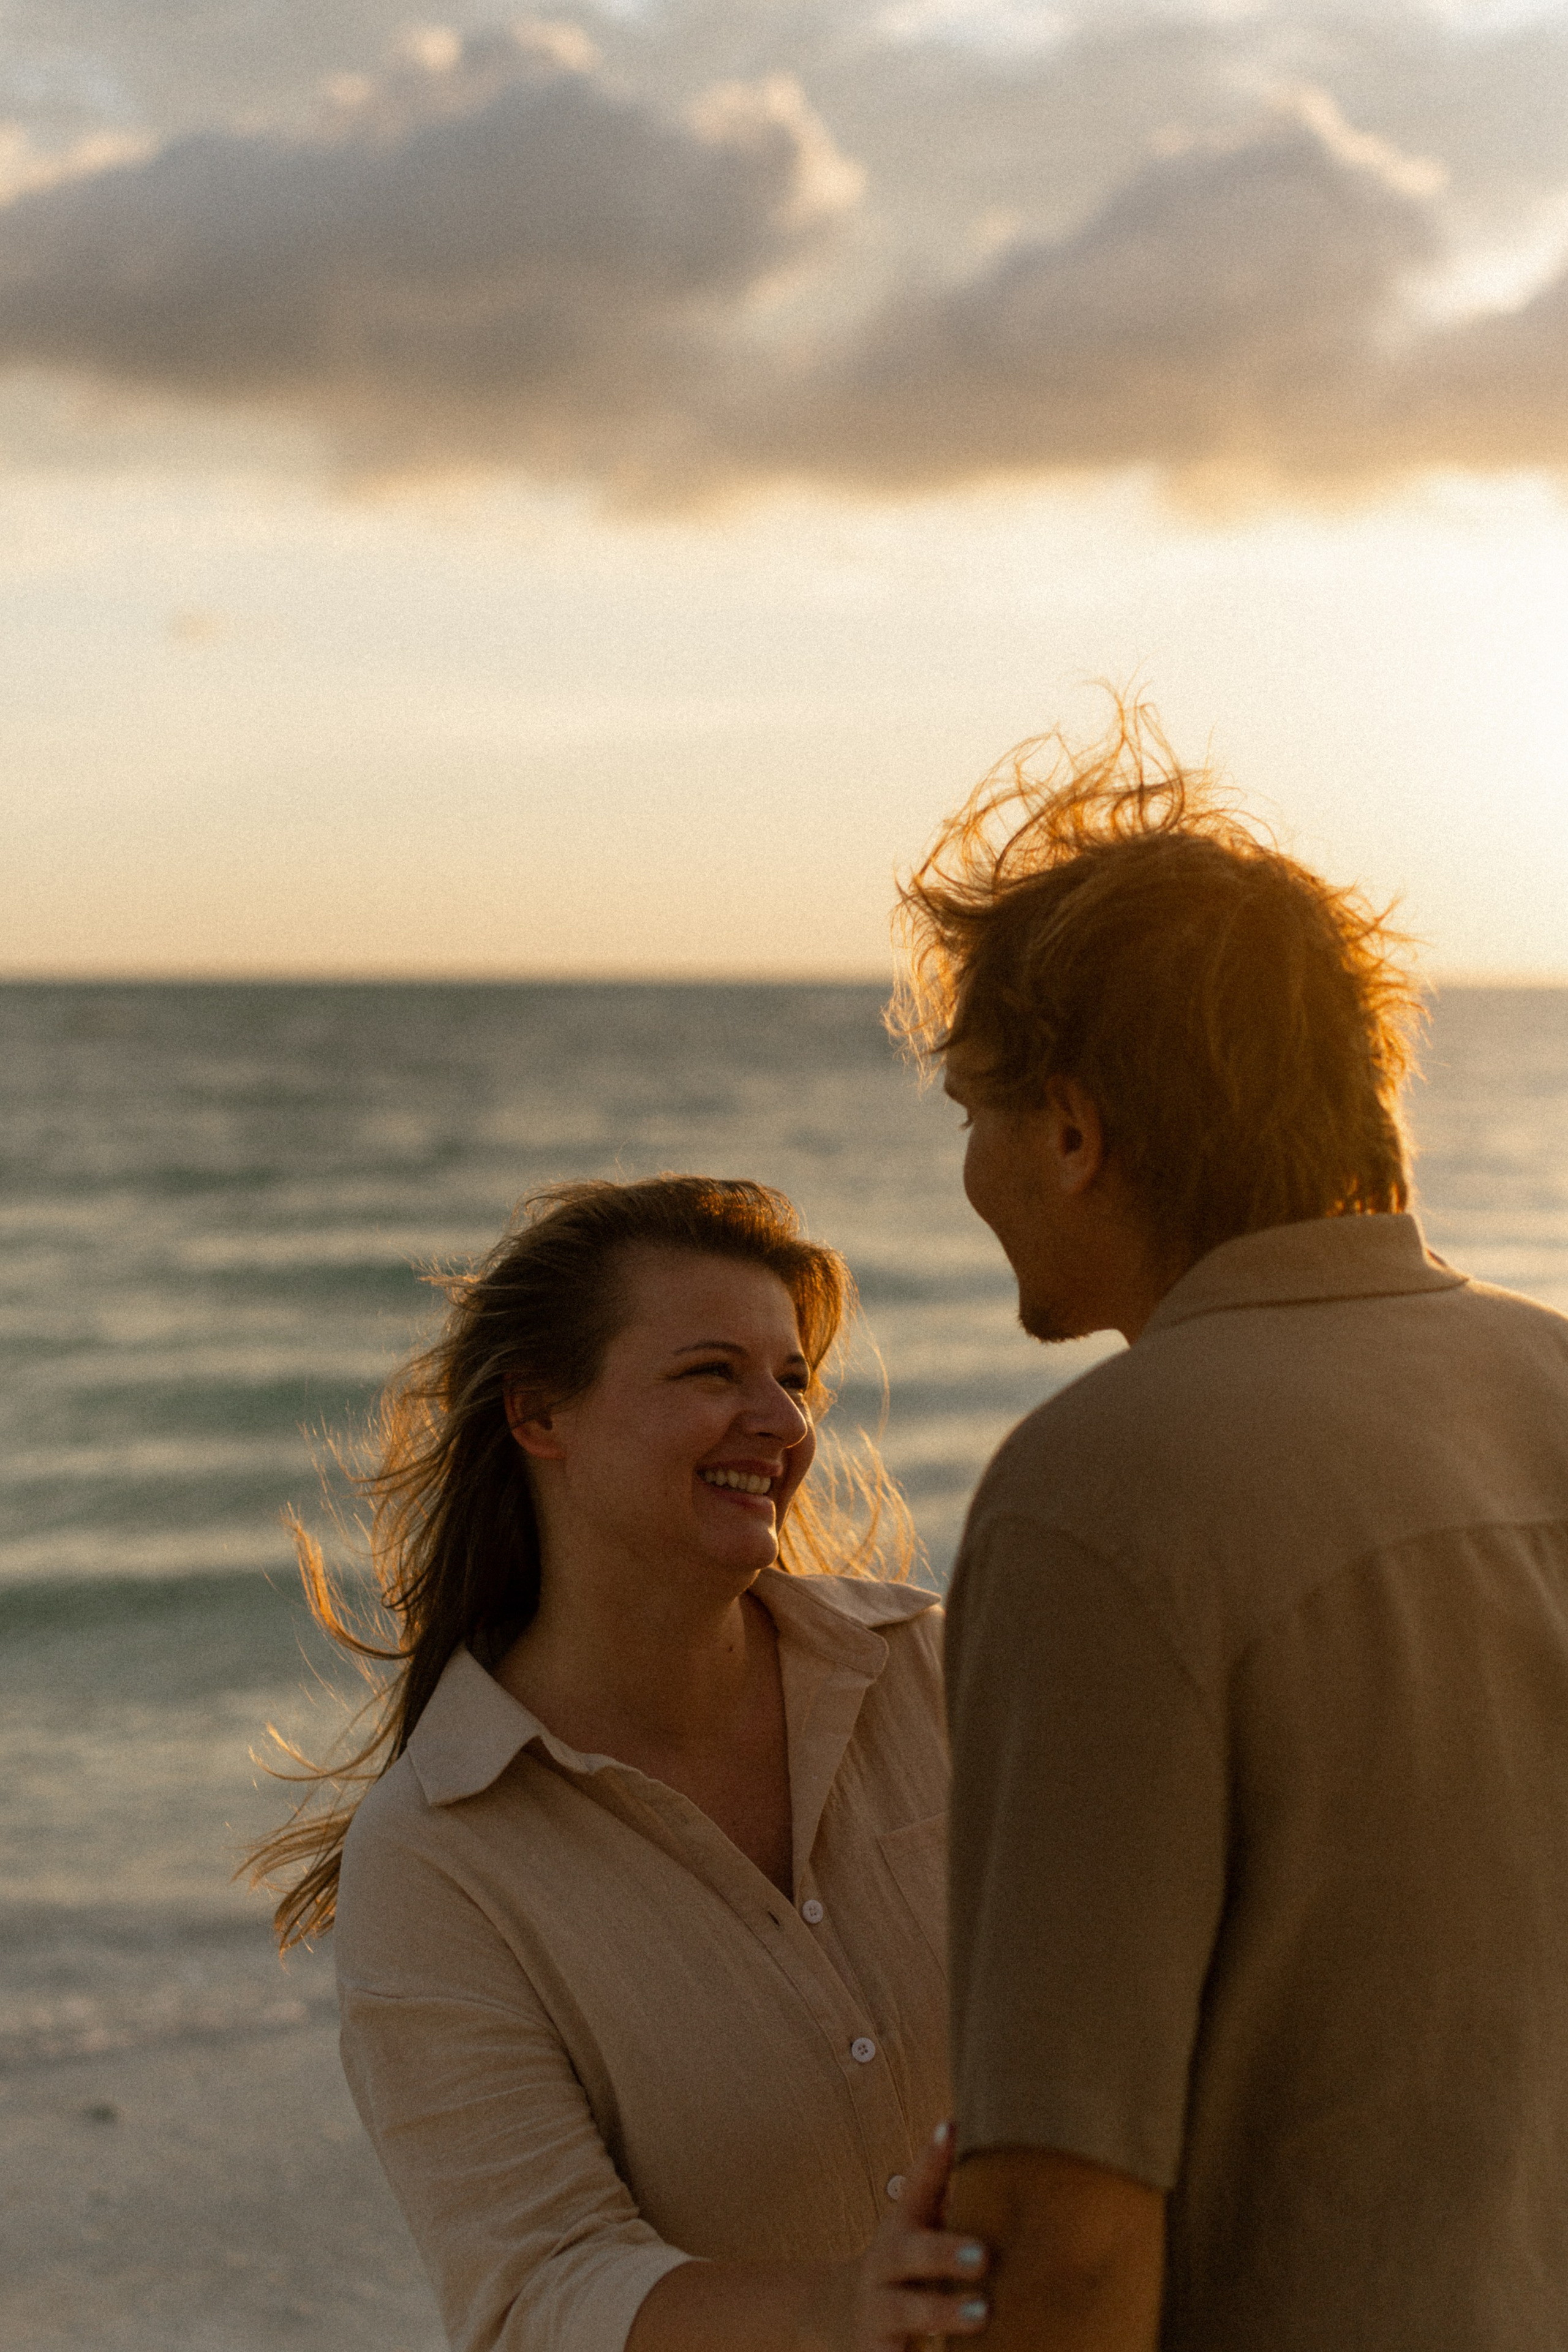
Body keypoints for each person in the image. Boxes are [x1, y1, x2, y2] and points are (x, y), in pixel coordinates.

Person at [894, 703, 1568, 2351]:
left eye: (973, 1114)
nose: (970, 1172)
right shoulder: (1550, 1380)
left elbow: (1062, 2240)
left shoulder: (1100, 1491)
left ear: (1072, 1130)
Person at [247, 1174, 990, 2352]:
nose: (784, 1422)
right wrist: (839, 2313)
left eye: (793, 1379)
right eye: (713, 1373)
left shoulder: (934, 1674)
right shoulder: (440, 1855)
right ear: (540, 1414)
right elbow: (538, 2290)